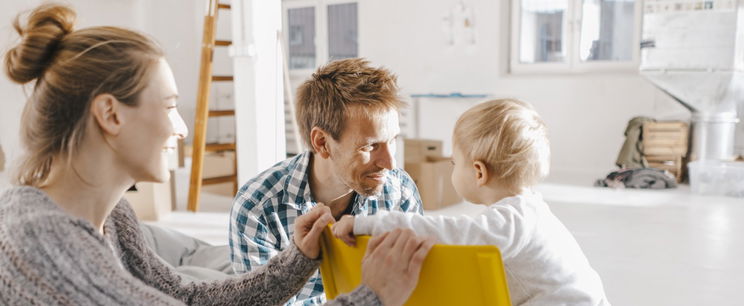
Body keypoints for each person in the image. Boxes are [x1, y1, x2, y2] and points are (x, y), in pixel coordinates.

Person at [0, 4, 433, 305]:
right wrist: (374, 295)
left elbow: (186, 297)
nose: (183, 128)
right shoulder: (44, 241)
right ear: (110, 114)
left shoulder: (111, 216)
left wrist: (295, 262)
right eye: (170, 107)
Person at [333, 99, 611, 305]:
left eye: (455, 162)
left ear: (479, 172)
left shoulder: (512, 219)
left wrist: (370, 224)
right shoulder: (528, 210)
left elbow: (448, 233)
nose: (452, 168)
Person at [230, 58, 424, 304]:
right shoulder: (257, 208)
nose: (390, 163)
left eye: (393, 140)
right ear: (321, 142)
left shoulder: (399, 191)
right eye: (370, 146)